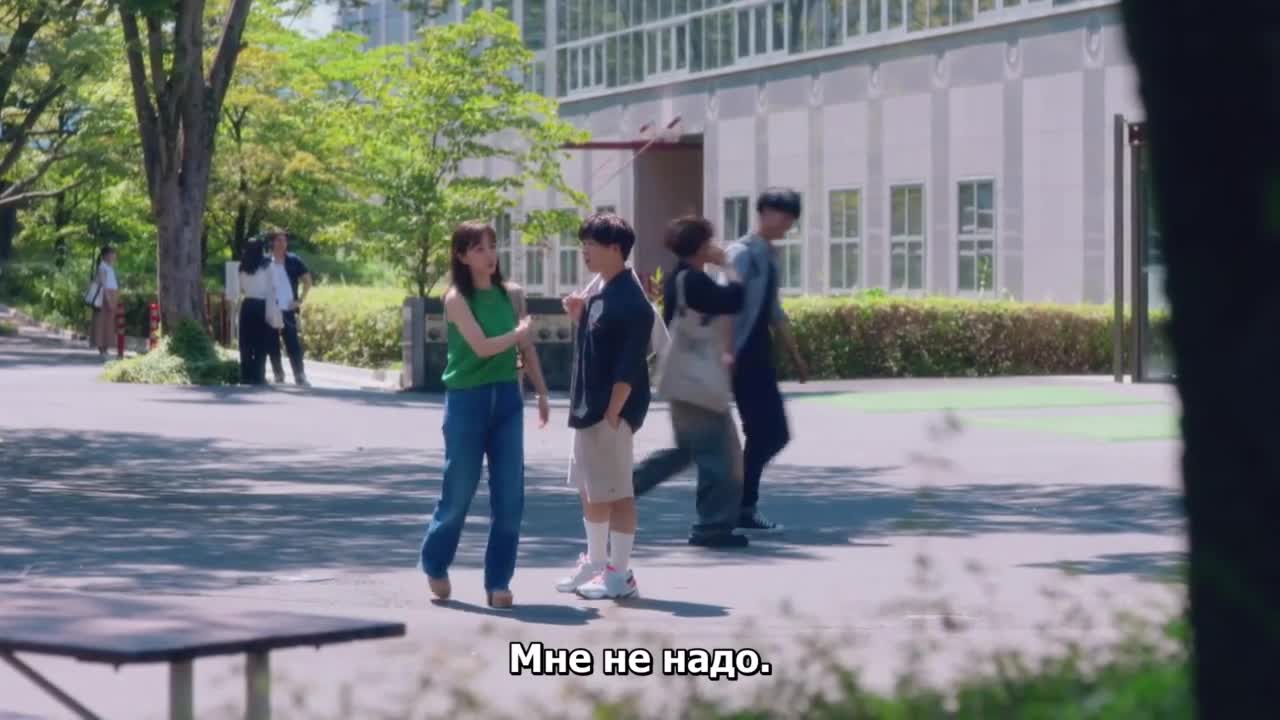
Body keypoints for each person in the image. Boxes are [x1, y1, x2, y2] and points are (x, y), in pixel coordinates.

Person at [420, 221, 551, 610]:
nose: (490, 255)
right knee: (459, 490)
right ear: (461, 256)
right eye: (479, 249)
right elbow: (482, 347)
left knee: (510, 495)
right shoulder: (456, 299)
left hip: (508, 398)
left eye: (492, 246)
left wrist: (541, 391)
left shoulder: (511, 295)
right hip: (467, 400)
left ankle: (498, 582)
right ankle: (435, 560)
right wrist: (519, 333)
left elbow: (525, 350)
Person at [632, 217, 750, 548]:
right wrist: (729, 265)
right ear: (700, 246)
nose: (715, 245)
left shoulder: (681, 279)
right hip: (697, 385)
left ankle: (623, 487)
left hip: (685, 382)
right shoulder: (693, 280)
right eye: (710, 241)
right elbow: (735, 299)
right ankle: (712, 527)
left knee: (686, 451)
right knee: (722, 458)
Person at [556, 212, 654, 600]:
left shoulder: (631, 301)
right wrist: (579, 317)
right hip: (588, 409)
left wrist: (614, 412)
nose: (585, 252)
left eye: (591, 245)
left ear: (615, 249)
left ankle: (620, 574)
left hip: (608, 414)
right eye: (583, 244)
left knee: (617, 493)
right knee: (591, 489)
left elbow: (629, 365)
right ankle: (597, 563)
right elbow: (596, 348)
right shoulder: (600, 292)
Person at [725, 189, 810, 534]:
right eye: (783, 216)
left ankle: (741, 503)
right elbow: (725, 306)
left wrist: (796, 356)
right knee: (766, 432)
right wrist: (726, 352)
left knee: (773, 433)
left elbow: (774, 311)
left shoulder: (770, 256)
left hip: (760, 353)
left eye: (792, 218)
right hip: (741, 354)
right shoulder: (741, 253)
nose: (788, 224)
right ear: (764, 213)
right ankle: (739, 504)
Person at [265, 231, 313, 387]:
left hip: (288, 308)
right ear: (272, 243)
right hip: (271, 308)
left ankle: (300, 375)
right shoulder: (265, 261)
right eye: (278, 240)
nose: (282, 244)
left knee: (292, 342)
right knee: (272, 343)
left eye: (284, 241)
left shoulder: (294, 260)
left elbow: (307, 281)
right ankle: (278, 374)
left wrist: (300, 300)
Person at [236, 239, 281, 385]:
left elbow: (241, 288)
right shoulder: (268, 265)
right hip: (262, 304)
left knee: (246, 341)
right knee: (261, 342)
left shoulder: (242, 266)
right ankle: (259, 375)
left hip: (247, 304)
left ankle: (246, 375)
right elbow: (274, 286)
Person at [88, 246, 119, 358]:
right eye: (112, 254)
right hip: (104, 297)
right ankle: (102, 349)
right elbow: (104, 285)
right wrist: (108, 298)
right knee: (101, 322)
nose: (114, 256)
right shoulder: (102, 267)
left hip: (111, 295)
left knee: (109, 323)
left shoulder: (110, 267)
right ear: (106, 256)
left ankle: (105, 348)